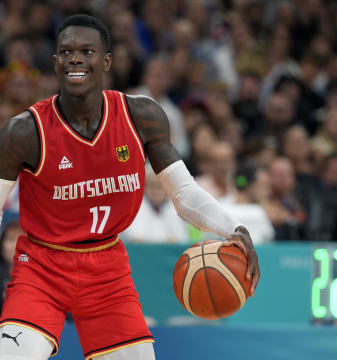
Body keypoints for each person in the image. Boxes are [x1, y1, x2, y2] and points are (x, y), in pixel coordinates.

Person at [0, 14, 259, 360]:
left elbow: (183, 194)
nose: (75, 58)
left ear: (106, 61)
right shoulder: (24, 131)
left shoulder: (140, 116)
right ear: (56, 61)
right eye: (66, 52)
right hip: (41, 267)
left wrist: (234, 229)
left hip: (107, 270)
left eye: (87, 51)